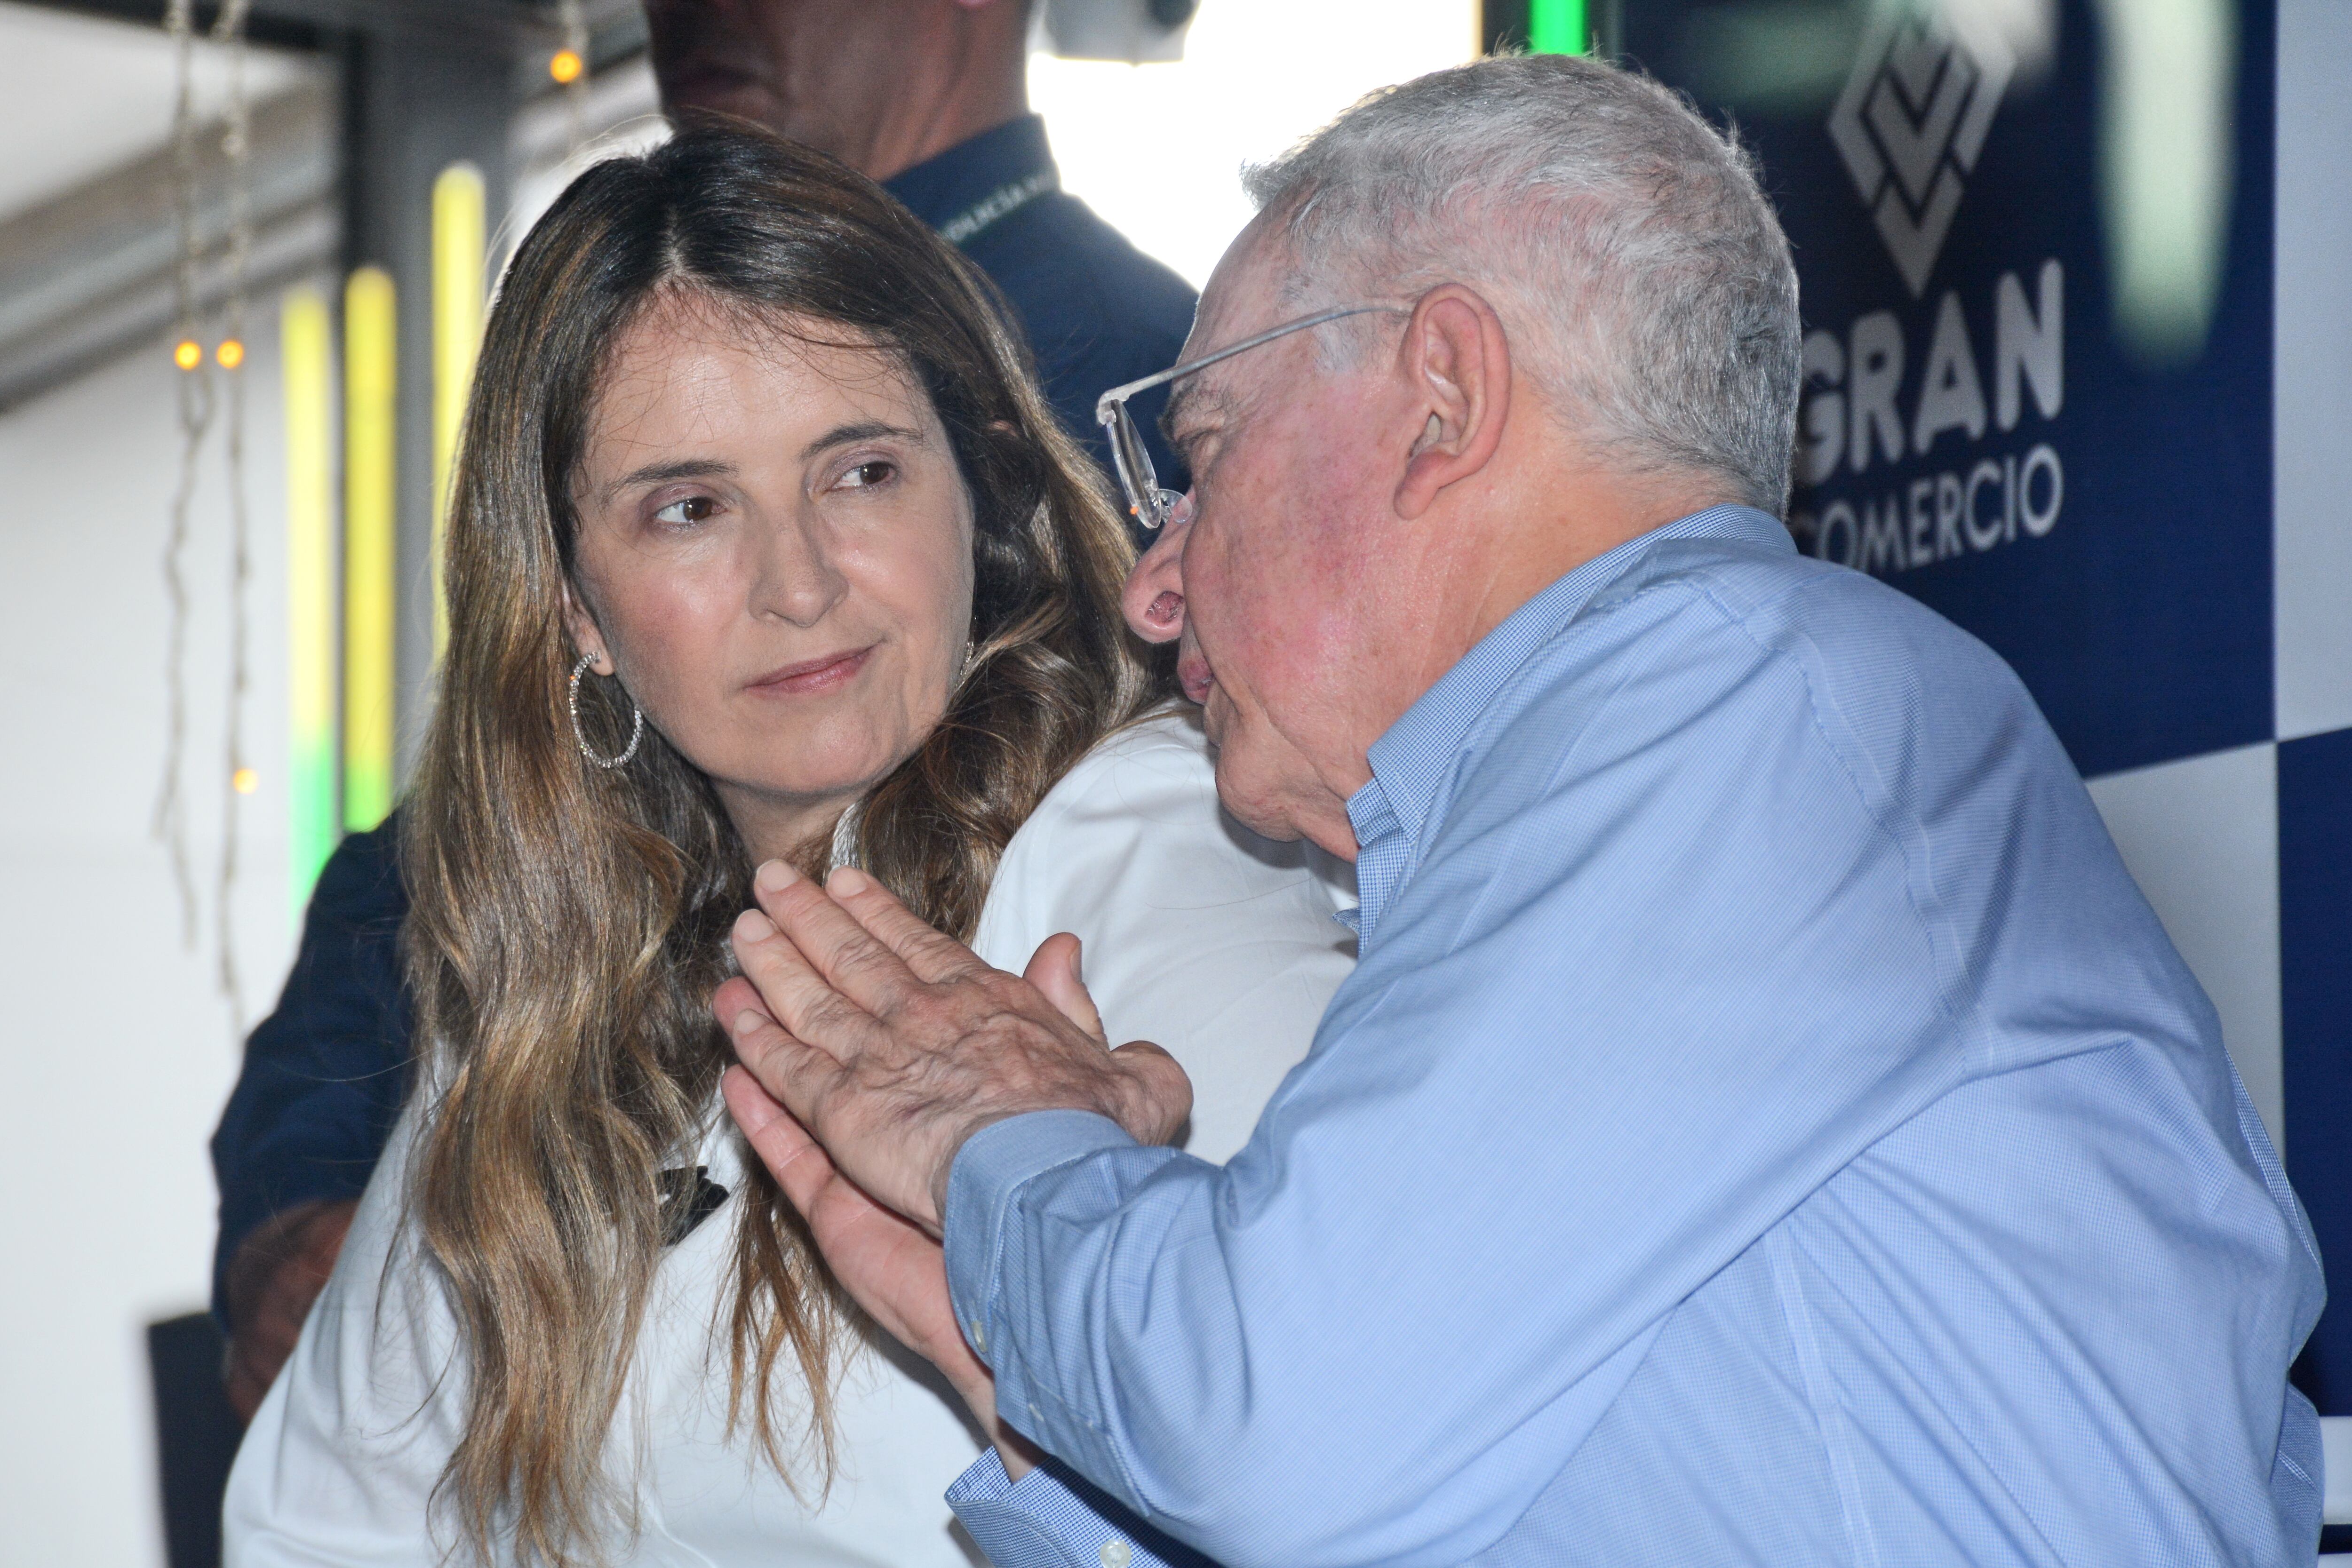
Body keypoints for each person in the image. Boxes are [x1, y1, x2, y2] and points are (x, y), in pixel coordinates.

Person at [715, 53, 2327, 1567]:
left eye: (1201, 456)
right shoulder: (1673, 767)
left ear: (1443, 395)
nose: (1152, 586)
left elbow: (1285, 1416)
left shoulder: (1739, 697)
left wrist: (1004, 1143)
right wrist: (1024, 1389)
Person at [223, 127, 1350, 1567]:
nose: (799, 584)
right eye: (691, 509)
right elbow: (319, 1521)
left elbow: (1337, 1445)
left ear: (980, 489)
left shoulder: (1144, 845)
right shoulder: (563, 981)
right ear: (574, 606)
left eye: (861, 473)